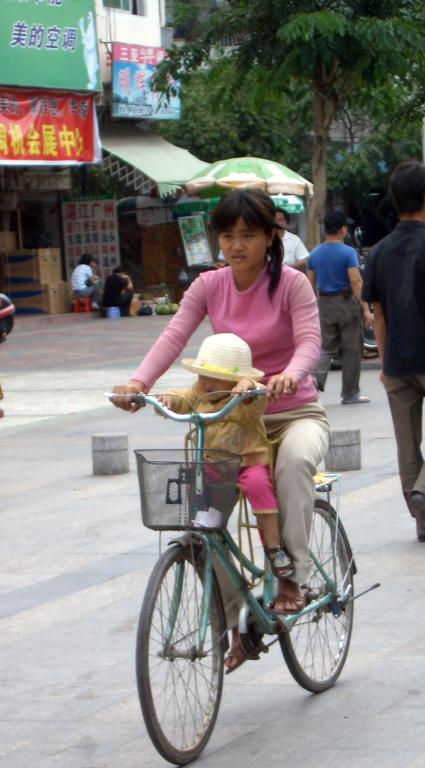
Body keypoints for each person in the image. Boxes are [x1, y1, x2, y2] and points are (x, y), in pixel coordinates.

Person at [111, 189, 330, 668]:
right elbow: (174, 336)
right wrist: (139, 383)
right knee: (201, 520)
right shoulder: (209, 285)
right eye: (227, 235)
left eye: (247, 235)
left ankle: (291, 577)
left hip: (292, 413)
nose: (236, 245)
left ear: (271, 237)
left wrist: (291, 373)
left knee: (293, 465)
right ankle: (237, 621)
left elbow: (310, 341)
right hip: (229, 421)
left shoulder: (292, 284)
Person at [158, 332, 294, 584]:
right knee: (194, 478)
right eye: (203, 376)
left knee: (257, 485)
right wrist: (168, 400)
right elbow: (183, 397)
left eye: (216, 378)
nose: (207, 383)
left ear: (234, 380)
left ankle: (274, 546)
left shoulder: (244, 399)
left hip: (248, 463)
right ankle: (204, 531)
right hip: (215, 464)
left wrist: (249, 387)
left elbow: (258, 395)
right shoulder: (199, 392)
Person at [362, 160, 425, 541]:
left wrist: (385, 364)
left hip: (398, 361)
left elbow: (378, 315)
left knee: (407, 444)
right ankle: (423, 491)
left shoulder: (379, 252)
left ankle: (421, 520)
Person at [308, 210, 373, 404]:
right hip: (345, 303)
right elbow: (356, 282)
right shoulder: (348, 252)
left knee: (325, 348)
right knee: (352, 349)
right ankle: (350, 393)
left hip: (324, 303)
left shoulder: (314, 254)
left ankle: (314, 382)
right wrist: (365, 309)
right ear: (343, 229)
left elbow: (309, 284)